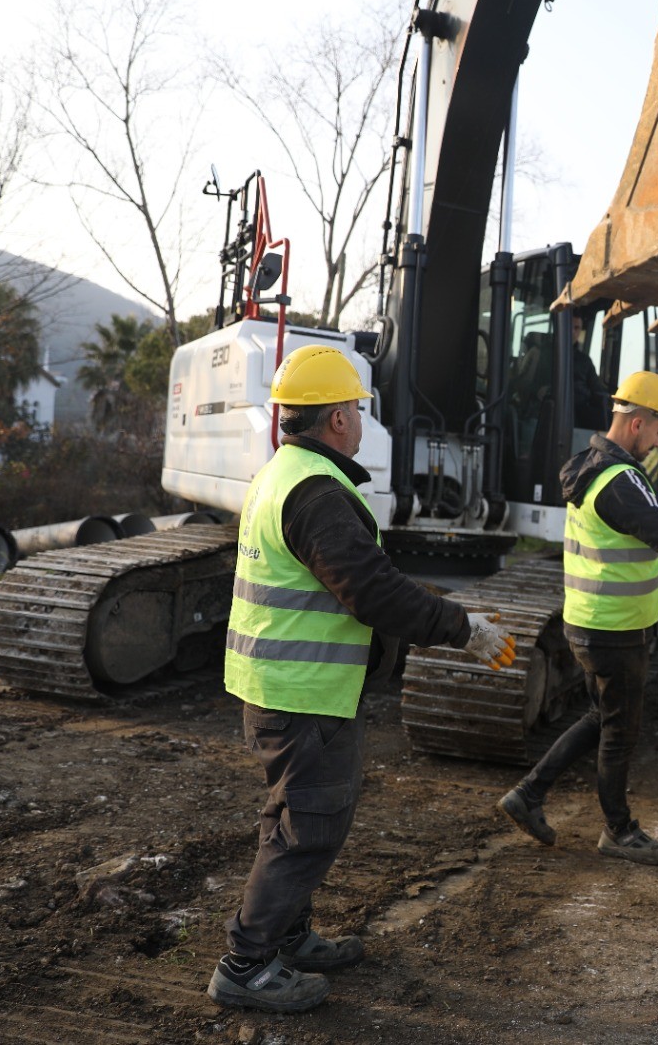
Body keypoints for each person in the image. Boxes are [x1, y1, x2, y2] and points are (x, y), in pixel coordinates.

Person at [207, 344, 517, 1014]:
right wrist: (462, 630)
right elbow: (371, 592)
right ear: (340, 418)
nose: (358, 419)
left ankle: (287, 937)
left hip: (280, 685)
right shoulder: (318, 494)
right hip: (302, 692)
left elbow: (356, 579)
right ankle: (246, 964)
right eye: (355, 408)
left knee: (297, 815)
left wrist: (442, 607)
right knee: (308, 826)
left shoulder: (280, 475)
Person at [496, 371, 658, 866]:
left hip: (593, 622)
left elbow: (655, 510)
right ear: (636, 422)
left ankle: (528, 793)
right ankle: (619, 831)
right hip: (615, 629)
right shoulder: (620, 480)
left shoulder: (601, 470)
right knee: (620, 732)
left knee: (600, 718)